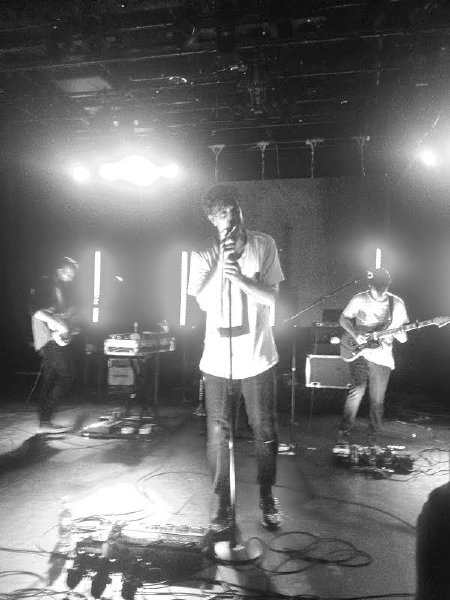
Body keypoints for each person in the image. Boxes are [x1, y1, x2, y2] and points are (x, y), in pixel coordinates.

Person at [188, 183, 284, 531]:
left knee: (265, 429)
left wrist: (242, 279)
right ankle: (224, 505)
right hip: (217, 361)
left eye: (234, 209)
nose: (232, 217)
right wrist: (223, 265)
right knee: (218, 433)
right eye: (223, 214)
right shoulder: (203, 254)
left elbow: (272, 298)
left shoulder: (264, 244)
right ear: (214, 220)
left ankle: (267, 495)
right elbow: (202, 301)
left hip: (258, 357)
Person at [337, 267, 408, 447]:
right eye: (377, 288)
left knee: (377, 400)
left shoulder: (397, 304)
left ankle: (372, 440)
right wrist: (354, 333)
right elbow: (343, 319)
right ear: (369, 285)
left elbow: (403, 337)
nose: (381, 291)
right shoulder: (360, 299)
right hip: (360, 351)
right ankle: (344, 433)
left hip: (383, 357)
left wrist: (400, 333)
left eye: (384, 287)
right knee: (357, 389)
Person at [30, 256, 80, 434]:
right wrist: (59, 324)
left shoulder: (58, 289)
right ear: (60, 270)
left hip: (51, 339)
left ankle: (44, 421)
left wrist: (69, 326)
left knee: (50, 379)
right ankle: (45, 419)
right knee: (68, 375)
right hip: (48, 339)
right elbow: (35, 310)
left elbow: (56, 314)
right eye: (70, 274)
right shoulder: (47, 284)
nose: (72, 278)